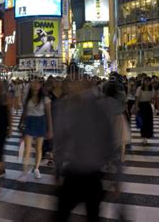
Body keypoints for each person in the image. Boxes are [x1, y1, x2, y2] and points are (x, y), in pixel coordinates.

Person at [54, 72, 118, 222]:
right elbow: (61, 140)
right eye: (70, 83)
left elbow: (109, 140)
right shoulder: (65, 106)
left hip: (90, 173)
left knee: (87, 214)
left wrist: (116, 176)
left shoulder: (97, 106)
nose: (72, 86)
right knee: (64, 214)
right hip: (75, 171)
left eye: (76, 82)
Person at [18, 79, 53, 181]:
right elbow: (24, 112)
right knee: (27, 149)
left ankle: (36, 168)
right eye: (33, 82)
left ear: (41, 85)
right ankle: (24, 172)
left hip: (41, 122)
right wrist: (21, 123)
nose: (35, 84)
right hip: (29, 122)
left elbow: (49, 115)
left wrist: (50, 129)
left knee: (38, 148)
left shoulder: (45, 98)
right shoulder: (27, 97)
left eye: (38, 83)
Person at [135, 77, 155, 145]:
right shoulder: (140, 88)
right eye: (146, 81)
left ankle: (147, 136)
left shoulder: (151, 89)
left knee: (149, 121)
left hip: (148, 105)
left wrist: (153, 102)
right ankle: (143, 136)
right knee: (142, 122)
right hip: (141, 105)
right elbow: (137, 98)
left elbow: (153, 98)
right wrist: (137, 106)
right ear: (143, 81)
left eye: (148, 81)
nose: (147, 82)